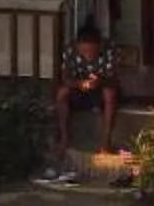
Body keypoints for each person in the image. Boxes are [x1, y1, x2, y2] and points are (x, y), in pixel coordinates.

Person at [47, 23, 121, 182]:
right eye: (84, 51)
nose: (88, 55)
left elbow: (112, 76)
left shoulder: (109, 51)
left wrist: (98, 81)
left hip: (101, 89)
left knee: (110, 93)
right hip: (78, 88)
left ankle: (106, 141)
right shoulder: (70, 51)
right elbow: (65, 77)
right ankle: (64, 138)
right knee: (61, 94)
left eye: (92, 51)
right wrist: (79, 84)